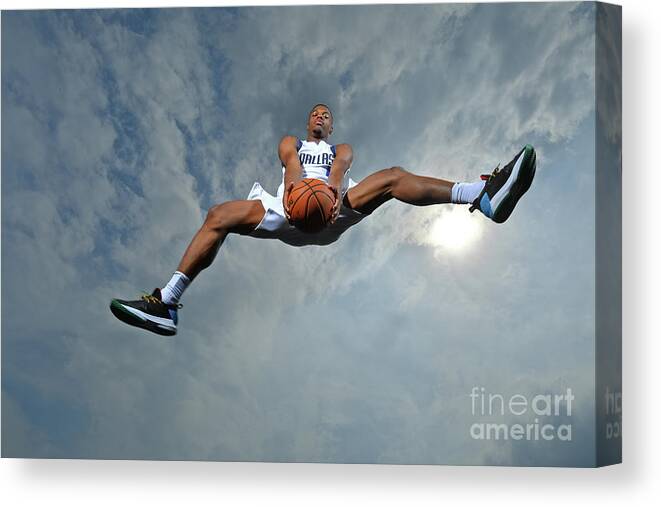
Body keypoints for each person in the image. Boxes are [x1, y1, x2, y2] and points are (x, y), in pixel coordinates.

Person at [110, 103, 537, 336]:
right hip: (287, 208)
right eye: (315, 114)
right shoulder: (292, 142)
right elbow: (289, 162)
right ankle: (166, 303)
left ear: (331, 126)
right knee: (218, 215)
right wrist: (296, 188)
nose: (320, 117)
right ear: (307, 122)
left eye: (325, 115)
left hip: (333, 205)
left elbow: (342, 165)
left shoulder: (340, 149)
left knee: (391, 177)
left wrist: (333, 189)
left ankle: (481, 196)